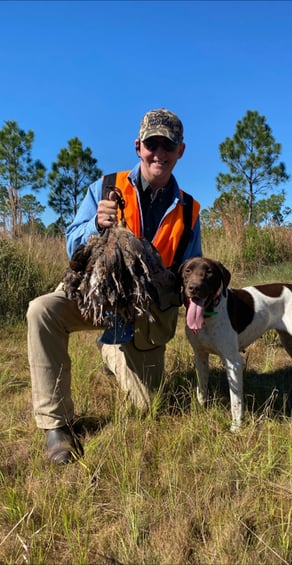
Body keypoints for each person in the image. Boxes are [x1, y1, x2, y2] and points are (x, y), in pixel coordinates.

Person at [27, 108, 202, 465]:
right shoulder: (106, 187)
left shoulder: (189, 211)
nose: (159, 154)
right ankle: (56, 426)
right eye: (152, 144)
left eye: (168, 146)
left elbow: (191, 267)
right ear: (138, 147)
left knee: (148, 406)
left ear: (180, 151)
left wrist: (197, 301)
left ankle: (111, 350)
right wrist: (94, 224)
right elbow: (71, 243)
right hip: (97, 295)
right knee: (42, 311)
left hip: (144, 310)